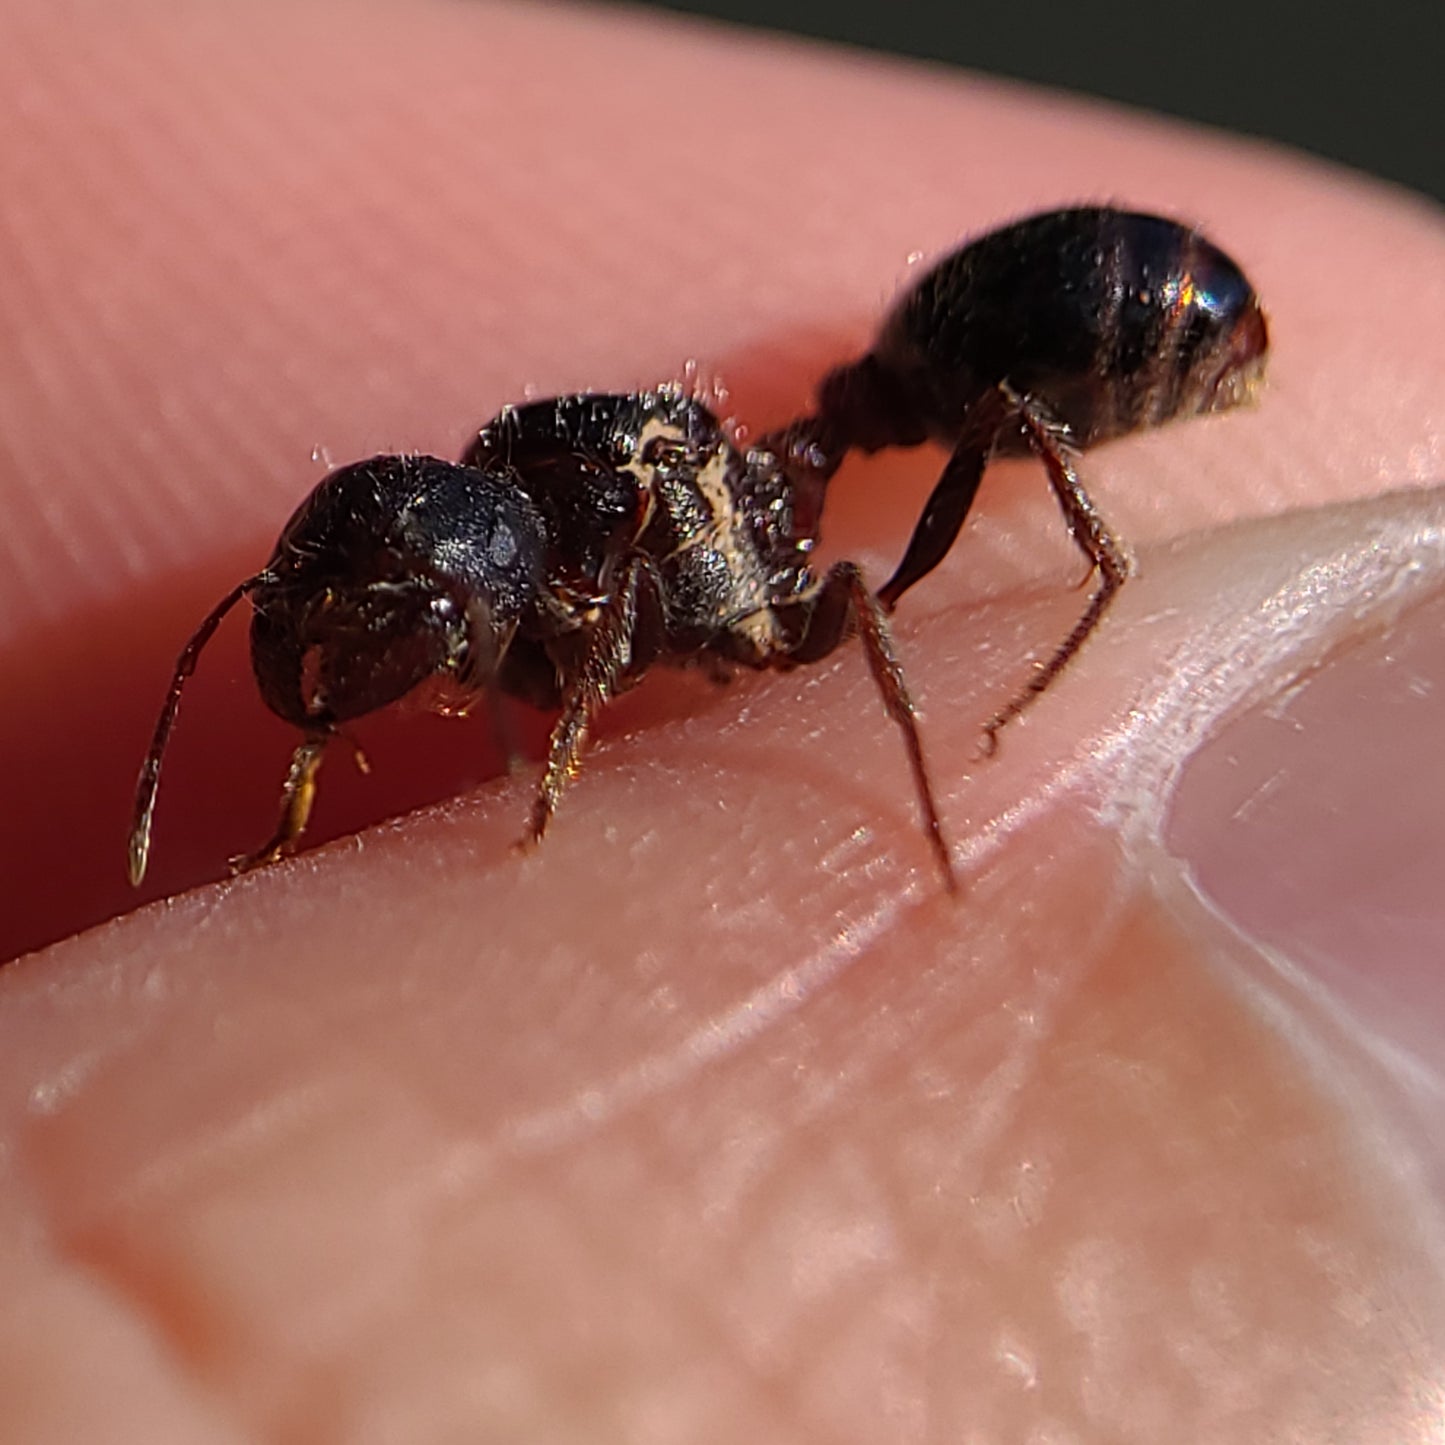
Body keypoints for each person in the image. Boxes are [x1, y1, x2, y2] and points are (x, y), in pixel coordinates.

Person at [1, 0, 1442, 1436]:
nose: (388, 656)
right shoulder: (523, 548)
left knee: (884, 585)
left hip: (1114, 314)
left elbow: (702, 553)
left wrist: (580, 764)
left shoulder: (640, 514)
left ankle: (972, 775)